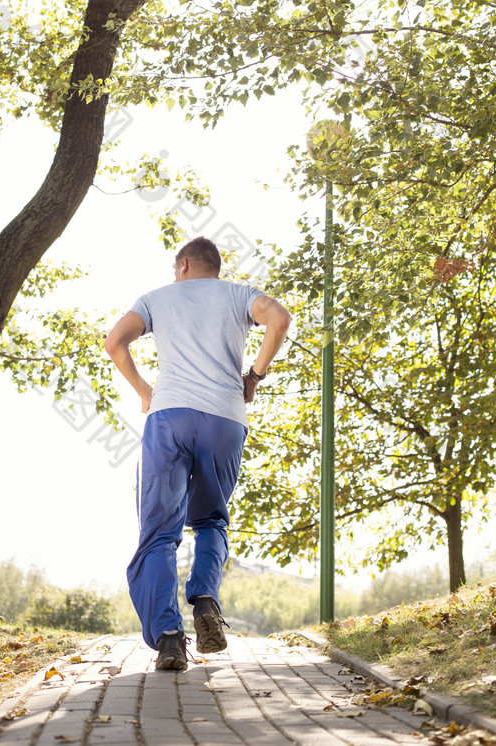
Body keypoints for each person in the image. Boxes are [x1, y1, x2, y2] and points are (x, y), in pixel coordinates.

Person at [104, 236, 291, 672]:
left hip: (169, 418)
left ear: (184, 265)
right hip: (225, 419)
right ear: (216, 267)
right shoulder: (240, 295)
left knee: (158, 532)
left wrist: (145, 392)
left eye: (176, 270)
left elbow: (115, 343)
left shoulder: (157, 298)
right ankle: (205, 601)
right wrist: (254, 377)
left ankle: (170, 640)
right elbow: (279, 319)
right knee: (210, 519)